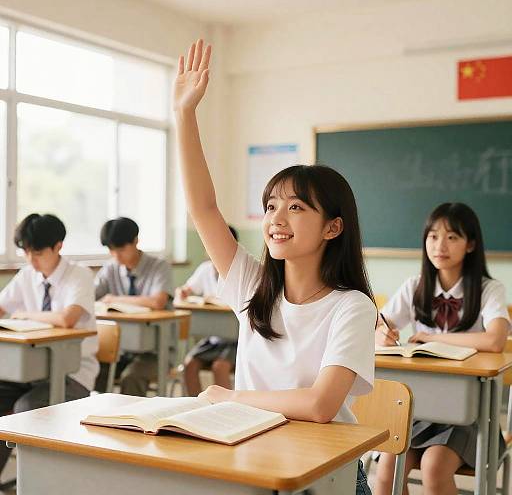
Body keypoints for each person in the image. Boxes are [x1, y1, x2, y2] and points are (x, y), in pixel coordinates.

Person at [173, 39, 376, 495]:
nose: (276, 220)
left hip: (328, 469)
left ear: (332, 227)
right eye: (270, 206)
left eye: (297, 207)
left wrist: (233, 398)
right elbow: (204, 209)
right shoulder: (252, 286)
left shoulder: (352, 307)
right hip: (252, 453)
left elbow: (321, 405)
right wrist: (185, 115)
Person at [374, 202, 510, 495]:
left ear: (471, 244)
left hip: (470, 415)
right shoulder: (415, 286)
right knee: (385, 470)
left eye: (452, 237)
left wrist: (431, 340)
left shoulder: (489, 290)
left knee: (434, 469)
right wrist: (381, 336)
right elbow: (377, 326)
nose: (440, 245)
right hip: (417, 410)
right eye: (433, 236)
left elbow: (495, 340)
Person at [0, 213, 98, 478]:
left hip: (72, 374)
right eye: (26, 252)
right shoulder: (26, 275)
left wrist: (23, 315)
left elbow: (68, 318)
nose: (31, 259)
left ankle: (37, 482)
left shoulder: (79, 275)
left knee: (26, 408)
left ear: (58, 246)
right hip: (29, 372)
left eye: (38, 252)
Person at [94, 217, 172, 396]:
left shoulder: (159, 267)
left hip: (156, 353)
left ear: (136, 241)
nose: (116, 256)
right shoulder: (110, 268)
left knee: (131, 378)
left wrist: (114, 299)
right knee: (94, 372)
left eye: (121, 249)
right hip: (120, 350)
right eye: (111, 250)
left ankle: (131, 423)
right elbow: (90, 296)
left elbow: (157, 301)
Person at [175, 226, 239, 396]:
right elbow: (187, 289)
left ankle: (225, 411)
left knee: (220, 367)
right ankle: (196, 408)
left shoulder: (240, 271)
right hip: (213, 338)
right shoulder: (205, 269)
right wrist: (182, 291)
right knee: (189, 365)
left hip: (235, 340)